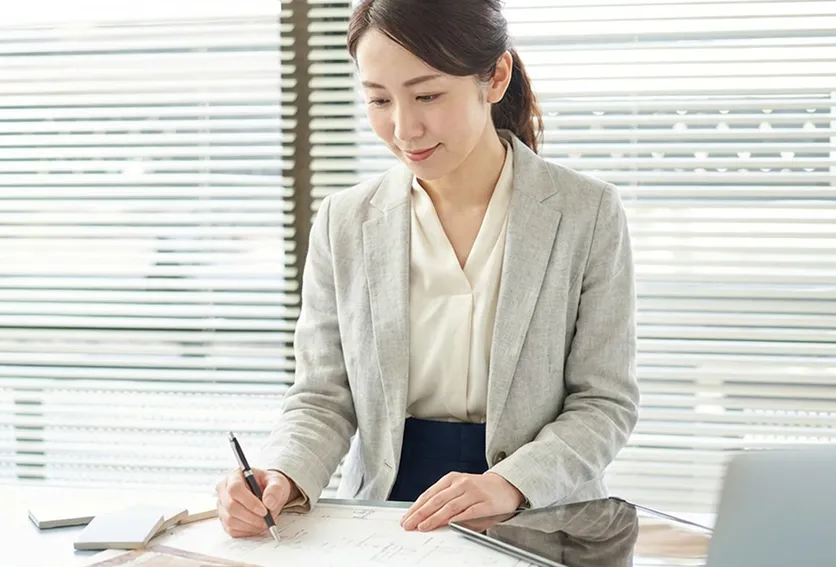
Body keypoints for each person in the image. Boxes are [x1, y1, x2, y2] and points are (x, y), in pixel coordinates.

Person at [216, 0, 639, 538]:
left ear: (496, 77)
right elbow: (323, 395)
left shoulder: (587, 212)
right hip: (388, 515)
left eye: (427, 95)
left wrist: (510, 483)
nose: (404, 128)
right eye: (377, 99)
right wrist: (281, 475)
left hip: (538, 512)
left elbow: (604, 403)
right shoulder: (343, 221)